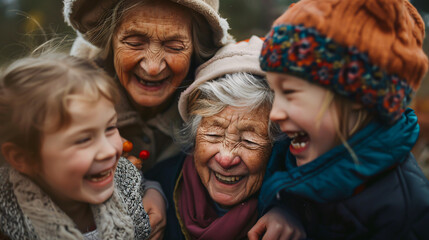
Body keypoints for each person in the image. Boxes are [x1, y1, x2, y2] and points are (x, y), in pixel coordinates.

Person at [253, 0, 429, 239]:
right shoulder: (294, 151)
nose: (275, 113)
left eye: (291, 93)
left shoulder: (403, 212)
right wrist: (284, 210)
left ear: (359, 93)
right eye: (275, 93)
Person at [146, 36, 299, 239]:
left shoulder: (298, 211)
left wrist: (293, 211)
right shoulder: (157, 189)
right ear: (194, 135)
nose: (226, 159)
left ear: (277, 145)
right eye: (213, 134)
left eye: (249, 141)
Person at [63, 0, 233, 171]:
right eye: (134, 43)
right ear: (111, 42)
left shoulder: (221, 105)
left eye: (174, 47)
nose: (152, 68)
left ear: (196, 50)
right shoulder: (65, 108)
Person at [0, 53, 151, 239]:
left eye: (110, 127)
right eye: (83, 140)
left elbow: (142, 183)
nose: (110, 151)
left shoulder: (128, 184)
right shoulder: (8, 224)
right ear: (22, 158)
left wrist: (155, 193)